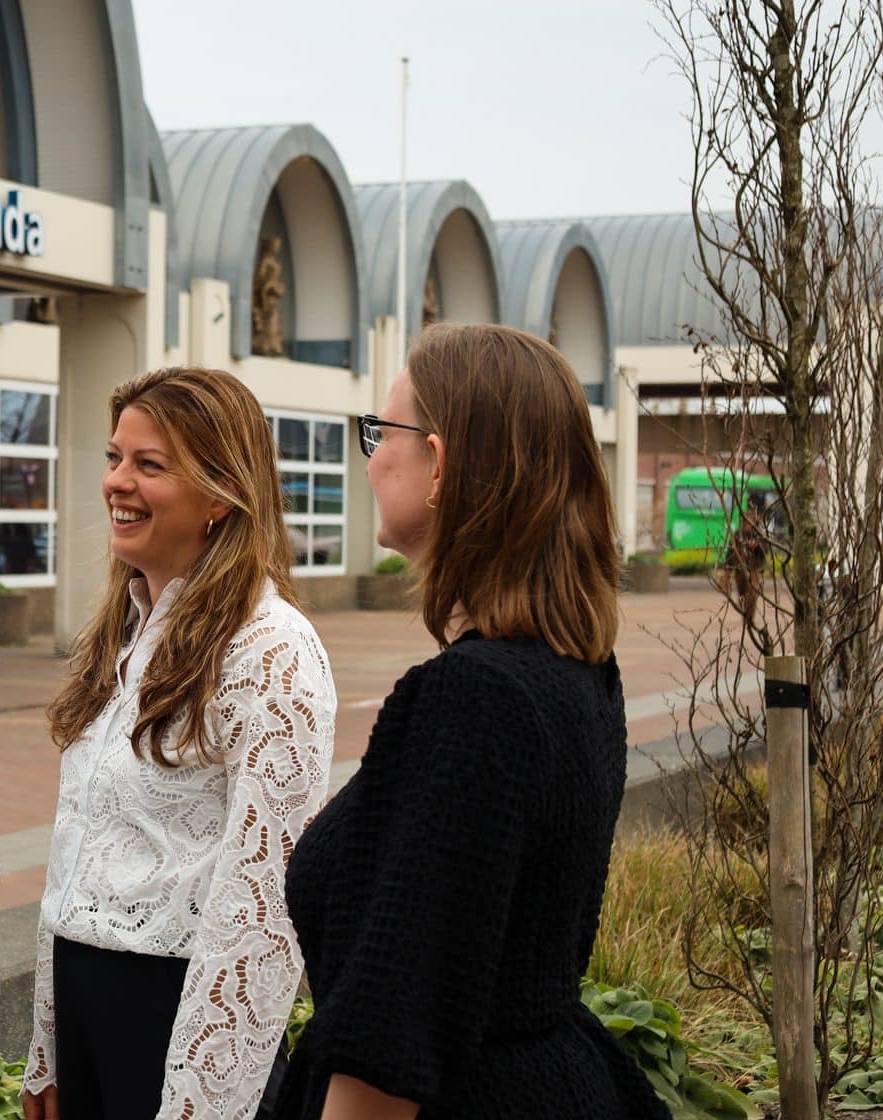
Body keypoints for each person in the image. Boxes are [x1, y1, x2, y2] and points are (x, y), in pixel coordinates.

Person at [273, 323, 667, 1120]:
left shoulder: (474, 697)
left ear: (440, 463)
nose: (370, 457)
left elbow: (388, 1046)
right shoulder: (578, 671)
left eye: (381, 432)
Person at [22, 367, 336, 1120]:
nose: (116, 481)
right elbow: (79, 849)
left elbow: (263, 907)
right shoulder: (123, 632)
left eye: (150, 464)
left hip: (179, 1024)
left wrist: (202, 1101)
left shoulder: (271, 650)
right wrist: (49, 1042)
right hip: (87, 1011)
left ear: (222, 495)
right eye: (114, 457)